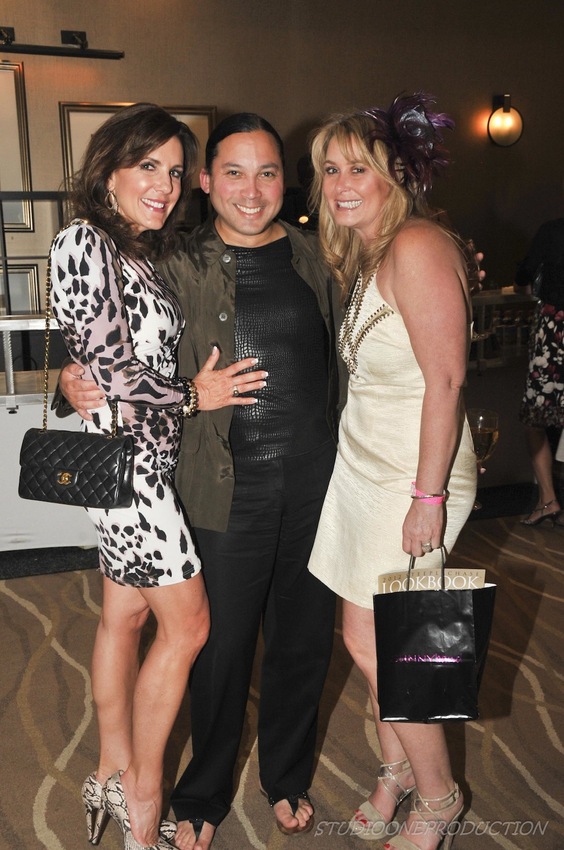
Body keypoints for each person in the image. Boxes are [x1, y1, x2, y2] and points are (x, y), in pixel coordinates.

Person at [58, 112, 342, 850]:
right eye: (233, 173)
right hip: (219, 482)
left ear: (285, 182)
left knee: (303, 641)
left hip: (314, 479)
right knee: (214, 647)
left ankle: (286, 777)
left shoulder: (319, 253)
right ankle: (201, 792)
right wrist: (70, 379)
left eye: (268, 172)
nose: (252, 190)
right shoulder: (175, 255)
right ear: (209, 183)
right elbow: (107, 337)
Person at [50, 103, 265, 850]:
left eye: (175, 173)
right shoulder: (84, 240)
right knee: (189, 624)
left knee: (126, 617)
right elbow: (112, 370)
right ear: (108, 169)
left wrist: (89, 375)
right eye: (148, 166)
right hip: (128, 471)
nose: (166, 186)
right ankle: (143, 802)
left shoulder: (137, 250)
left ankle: (110, 772)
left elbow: (101, 352)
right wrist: (195, 395)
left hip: (146, 463)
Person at [307, 94, 477, 850]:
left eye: (358, 168)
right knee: (364, 638)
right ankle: (397, 769)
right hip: (366, 465)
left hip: (411, 475)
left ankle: (439, 798)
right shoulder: (371, 250)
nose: (341, 184)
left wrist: (427, 498)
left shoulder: (415, 245)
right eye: (329, 169)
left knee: (393, 646)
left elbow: (446, 381)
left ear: (395, 176)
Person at [514, 217, 564, 527]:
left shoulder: (553, 230)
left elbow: (523, 275)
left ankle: (548, 499)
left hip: (554, 332)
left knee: (534, 419)